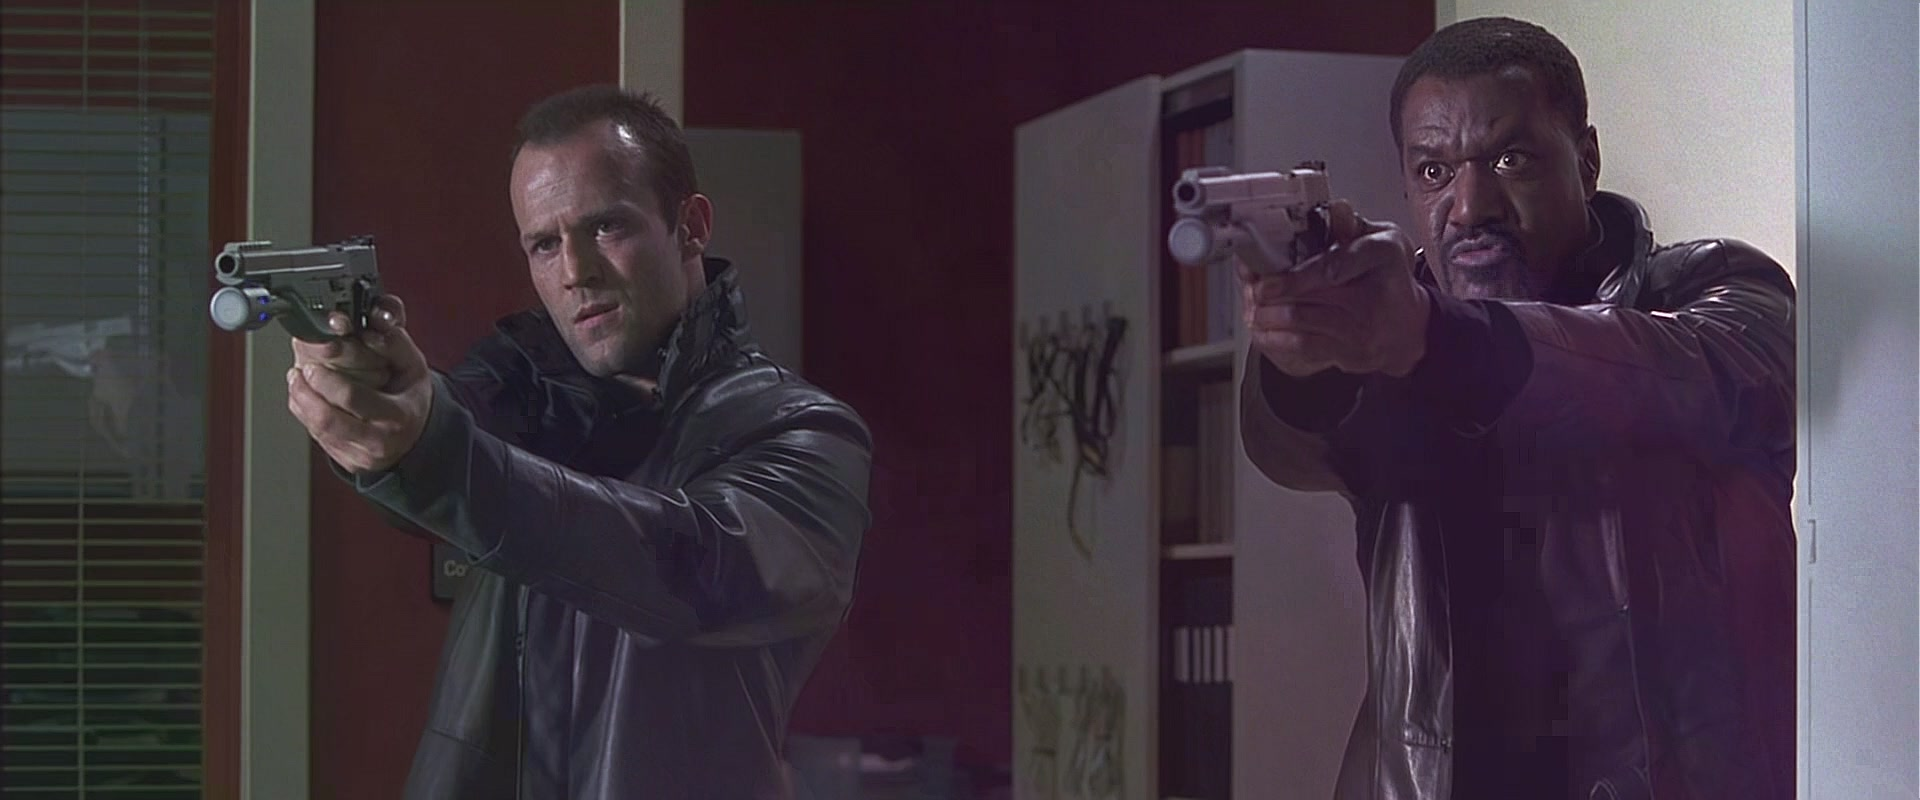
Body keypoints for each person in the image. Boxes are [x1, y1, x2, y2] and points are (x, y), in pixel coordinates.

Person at [1236, 17, 1795, 799]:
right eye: (1434, 171)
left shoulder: (1715, 288)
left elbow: (1700, 378)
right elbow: (1292, 448)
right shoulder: (1396, 338)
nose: (1470, 207)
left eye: (1510, 159)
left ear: (1586, 160)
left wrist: (1438, 336)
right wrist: (1302, 355)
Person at [284, 85, 874, 799]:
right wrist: (377, 405)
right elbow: (443, 435)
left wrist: (435, 449)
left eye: (606, 228)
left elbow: (689, 569)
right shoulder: (524, 385)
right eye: (544, 243)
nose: (573, 271)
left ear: (690, 227)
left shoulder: (805, 433)